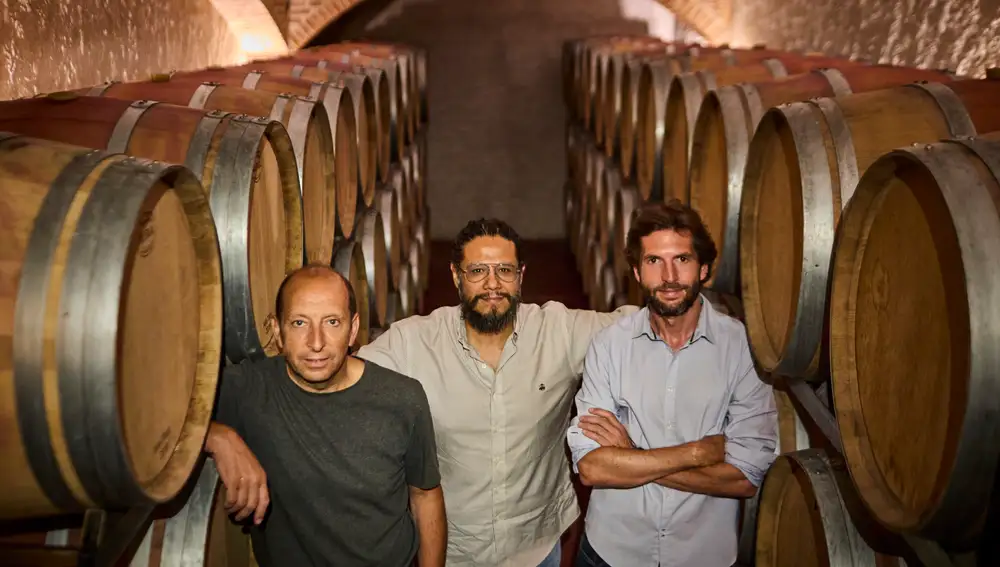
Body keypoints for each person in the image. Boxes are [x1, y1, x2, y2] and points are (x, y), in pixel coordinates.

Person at [356, 219, 639, 567]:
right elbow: (343, 375)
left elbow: (643, 328)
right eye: (477, 271)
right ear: (456, 276)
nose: (493, 284)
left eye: (504, 270)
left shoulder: (558, 331)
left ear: (521, 275)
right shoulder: (413, 343)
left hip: (536, 548)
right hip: (454, 550)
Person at [566, 200, 778, 567]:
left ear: (704, 268)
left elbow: (745, 478)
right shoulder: (610, 344)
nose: (669, 276)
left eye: (681, 259)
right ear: (637, 272)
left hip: (702, 555)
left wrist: (631, 455)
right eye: (653, 261)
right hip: (612, 552)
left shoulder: (741, 348)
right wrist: (697, 453)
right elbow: (592, 468)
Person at [205, 264, 446, 567]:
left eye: (332, 322)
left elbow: (425, 497)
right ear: (277, 331)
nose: (316, 342)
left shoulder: (403, 398)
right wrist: (217, 436)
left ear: (353, 329)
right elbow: (157, 418)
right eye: (299, 323)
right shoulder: (249, 390)